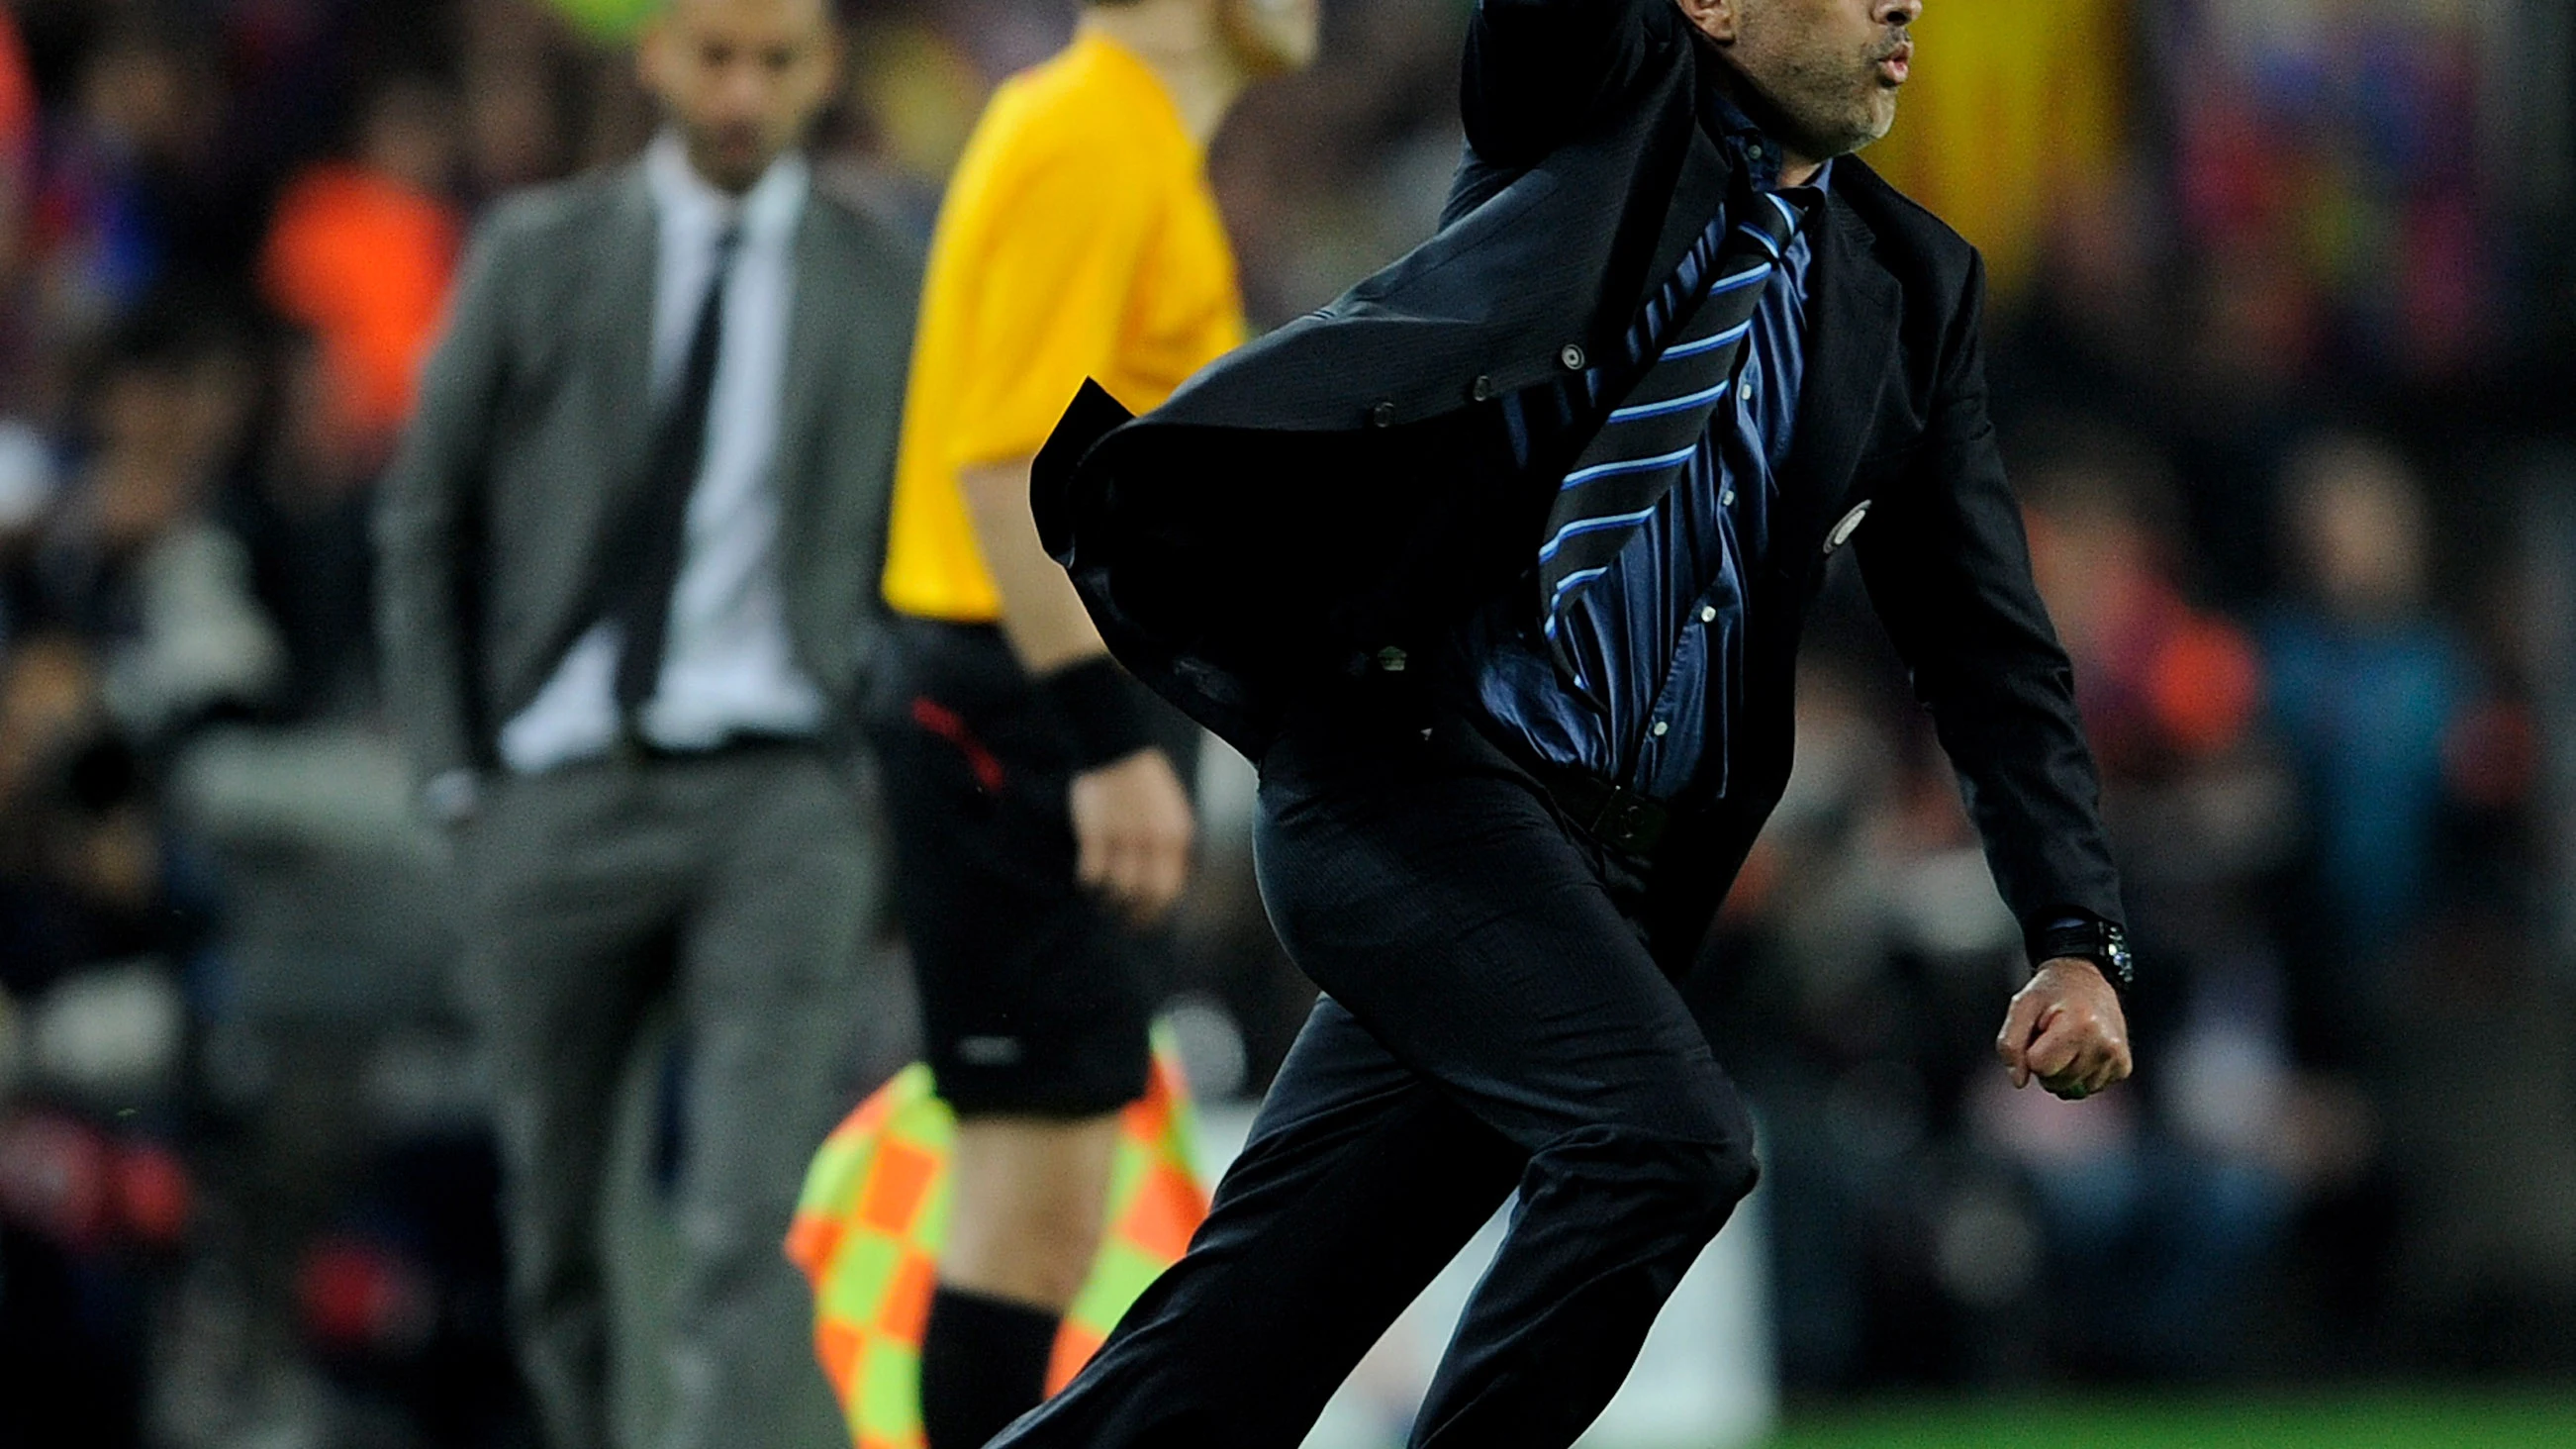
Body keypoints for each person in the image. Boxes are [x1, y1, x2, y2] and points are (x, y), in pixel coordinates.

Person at [1013, 2, 2136, 1445]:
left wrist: (2071, 933)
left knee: (1220, 1367)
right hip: (1408, 785)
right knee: (1666, 1146)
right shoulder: (1587, 111)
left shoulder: (1913, 287)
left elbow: (1989, 653)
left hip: (1598, 878)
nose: (1897, 2)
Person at [372, 1, 917, 1444]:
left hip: (782, 792)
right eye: (716, 54)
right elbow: (426, 520)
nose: (743, 91)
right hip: (553, 785)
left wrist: (875, 776)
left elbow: (933, 549)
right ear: (657, 57)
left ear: (825, 69)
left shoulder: (881, 279)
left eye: (777, 60)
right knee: (563, 1236)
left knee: (751, 1224)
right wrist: (451, 777)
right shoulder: (540, 255)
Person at [866, 2, 1317, 1445]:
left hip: (1037, 694)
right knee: (1025, 1200)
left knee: (1045, 1205)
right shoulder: (1088, 135)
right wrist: (1109, 746)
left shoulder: (1122, 138)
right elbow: (1006, 468)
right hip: (1021, 702)